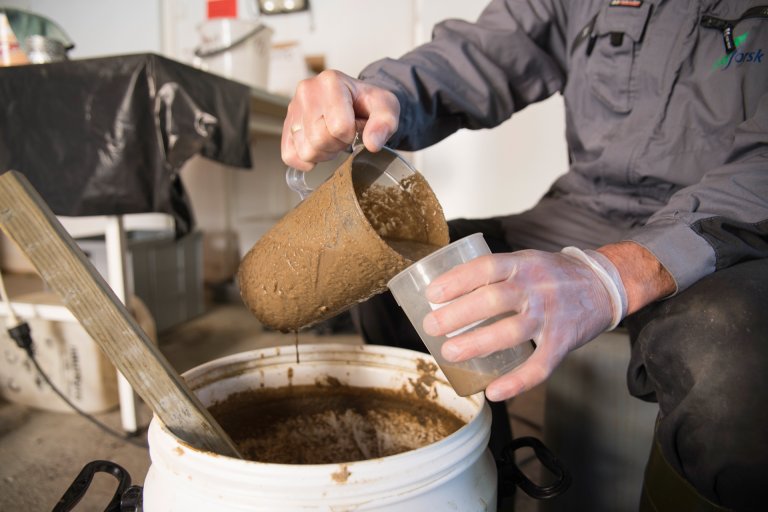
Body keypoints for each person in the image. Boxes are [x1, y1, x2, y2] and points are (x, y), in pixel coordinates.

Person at [280, 1, 768, 510]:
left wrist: (616, 274)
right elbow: (485, 51)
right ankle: (490, 487)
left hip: (736, 225)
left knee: (731, 353)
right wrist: (380, 92)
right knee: (402, 280)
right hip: (588, 212)